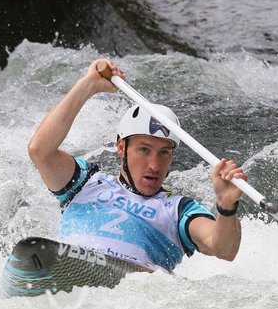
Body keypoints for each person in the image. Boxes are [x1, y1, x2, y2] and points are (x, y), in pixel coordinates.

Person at [27, 59, 247, 271]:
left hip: (133, 296)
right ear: (121, 148)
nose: (154, 165)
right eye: (144, 150)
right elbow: (40, 151)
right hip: (64, 268)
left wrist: (226, 206)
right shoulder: (85, 183)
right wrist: (88, 85)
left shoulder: (178, 211)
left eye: (164, 153)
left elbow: (223, 250)